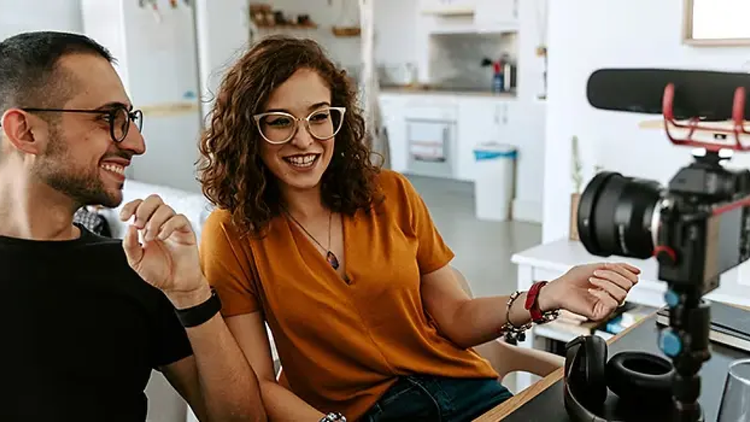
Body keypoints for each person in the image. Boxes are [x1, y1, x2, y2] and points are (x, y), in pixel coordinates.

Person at [197, 35, 641, 422]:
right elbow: (257, 382)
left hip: (465, 389)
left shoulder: (388, 194)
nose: (305, 138)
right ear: (248, 132)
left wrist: (547, 293)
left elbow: (456, 317)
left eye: (319, 116)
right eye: (279, 121)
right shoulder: (232, 234)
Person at [0, 31, 266, 422]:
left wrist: (190, 293)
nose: (137, 144)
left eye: (130, 120)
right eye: (110, 118)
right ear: (25, 132)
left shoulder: (136, 269)